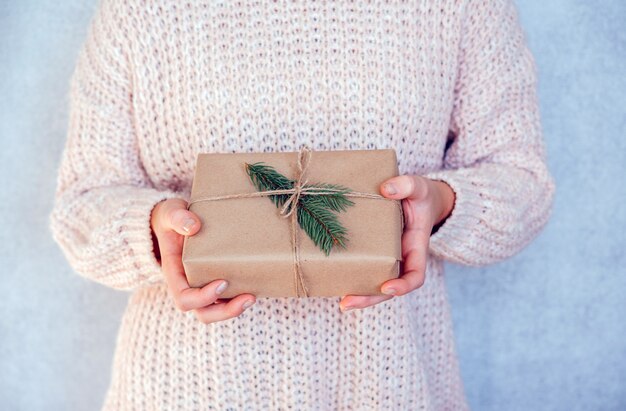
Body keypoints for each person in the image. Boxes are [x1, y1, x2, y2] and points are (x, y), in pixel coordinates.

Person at [49, 0, 555, 409]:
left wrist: (442, 204)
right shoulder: (138, 10)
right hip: (186, 387)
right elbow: (81, 205)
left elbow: (523, 183)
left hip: (390, 385)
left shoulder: (462, 8)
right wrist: (154, 229)